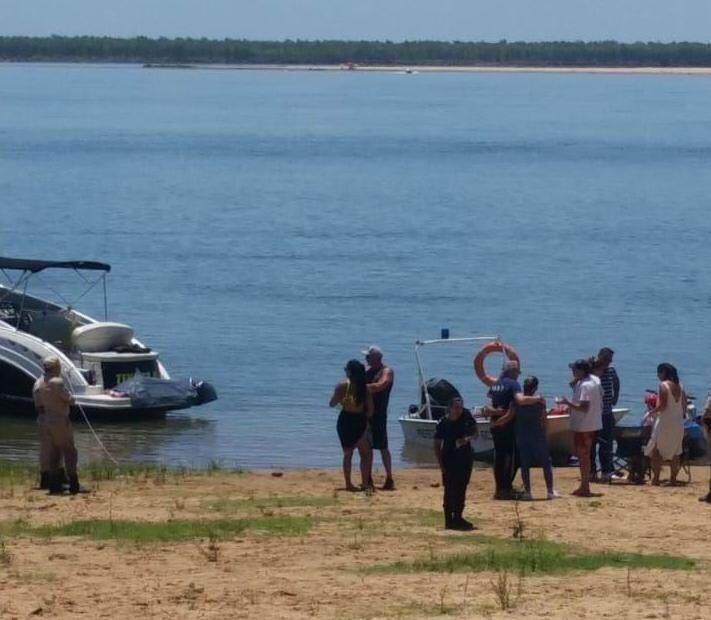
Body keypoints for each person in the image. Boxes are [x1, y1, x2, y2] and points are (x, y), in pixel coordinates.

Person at [483, 360, 545, 500]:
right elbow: (520, 400)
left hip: (495, 424)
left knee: (499, 456)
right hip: (507, 425)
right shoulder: (512, 384)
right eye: (517, 373)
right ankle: (505, 488)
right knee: (511, 457)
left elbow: (492, 402)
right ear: (512, 372)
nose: (518, 376)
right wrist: (537, 398)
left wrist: (495, 412)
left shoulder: (495, 385)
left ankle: (500, 488)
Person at [492, 376, 558, 500]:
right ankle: (550, 491)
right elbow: (544, 419)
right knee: (546, 463)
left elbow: (508, 416)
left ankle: (528, 492)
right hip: (537, 435)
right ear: (535, 388)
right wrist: (546, 434)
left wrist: (496, 423)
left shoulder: (515, 402)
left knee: (525, 464)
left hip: (522, 435)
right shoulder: (539, 401)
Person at [32, 357, 80, 495]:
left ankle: (54, 484)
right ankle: (73, 483)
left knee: (52, 452)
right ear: (56, 368)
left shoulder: (38, 383)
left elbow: (39, 406)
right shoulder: (57, 382)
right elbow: (70, 400)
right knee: (69, 451)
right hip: (59, 420)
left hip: (44, 421)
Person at [560, 359, 603, 497]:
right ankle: (585, 485)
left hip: (583, 425)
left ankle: (585, 486)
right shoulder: (594, 380)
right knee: (585, 455)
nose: (572, 372)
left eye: (575, 370)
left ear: (582, 371)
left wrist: (568, 403)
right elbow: (574, 385)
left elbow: (584, 407)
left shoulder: (585, 385)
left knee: (583, 456)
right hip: (592, 423)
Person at [329, 359, 374, 491]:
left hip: (345, 420)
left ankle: (348, 484)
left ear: (349, 372)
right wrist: (365, 420)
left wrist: (342, 401)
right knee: (365, 454)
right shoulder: (365, 388)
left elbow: (331, 404)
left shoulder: (341, 386)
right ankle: (365, 483)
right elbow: (371, 411)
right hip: (359, 421)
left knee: (348, 454)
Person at [434, 397, 477, 530]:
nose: (459, 410)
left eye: (461, 407)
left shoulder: (466, 416)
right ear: (450, 408)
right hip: (449, 459)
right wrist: (441, 464)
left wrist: (467, 439)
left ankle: (458, 518)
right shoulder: (443, 423)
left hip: (465, 458)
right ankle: (449, 520)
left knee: (462, 488)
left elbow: (476, 432)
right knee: (449, 490)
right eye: (456, 407)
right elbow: (436, 445)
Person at [643, 363, 687, 486]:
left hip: (665, 421)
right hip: (678, 422)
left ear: (663, 373)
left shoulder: (663, 385)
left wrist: (651, 413)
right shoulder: (680, 386)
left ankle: (656, 478)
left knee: (656, 450)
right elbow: (684, 405)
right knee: (676, 451)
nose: (657, 375)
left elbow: (662, 406)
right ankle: (673, 479)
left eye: (659, 373)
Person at [363, 345, 395, 490]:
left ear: (376, 358)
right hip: (365, 414)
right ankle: (367, 477)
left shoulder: (386, 371)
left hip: (379, 415)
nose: (366, 359)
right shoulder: (368, 372)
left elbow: (382, 385)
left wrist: (365, 387)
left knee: (383, 447)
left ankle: (389, 477)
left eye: (368, 357)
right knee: (366, 448)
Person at [591, 348, 620, 483]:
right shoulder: (591, 368)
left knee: (606, 443)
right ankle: (591, 471)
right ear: (600, 356)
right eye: (607, 358)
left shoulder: (611, 370)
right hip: (593, 413)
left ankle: (606, 471)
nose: (609, 361)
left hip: (607, 412)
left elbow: (617, 382)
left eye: (610, 359)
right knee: (591, 444)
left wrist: (616, 397)